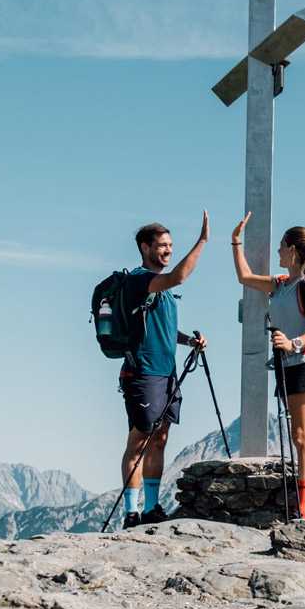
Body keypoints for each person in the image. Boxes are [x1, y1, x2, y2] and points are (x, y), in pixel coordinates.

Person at [231, 213, 305, 520]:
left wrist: (293, 343)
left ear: (294, 250)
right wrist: (235, 241)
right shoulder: (282, 284)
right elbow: (244, 277)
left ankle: (303, 507)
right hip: (288, 363)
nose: (278, 252)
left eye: (281, 247)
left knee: (300, 436)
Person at [119, 212, 209, 528]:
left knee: (160, 438)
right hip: (143, 372)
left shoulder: (163, 289)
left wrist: (189, 341)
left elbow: (165, 330)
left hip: (166, 373)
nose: (168, 250)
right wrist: (202, 242)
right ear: (145, 248)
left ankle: (152, 508)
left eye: (171, 245)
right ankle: (131, 512)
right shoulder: (139, 280)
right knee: (140, 440)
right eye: (162, 245)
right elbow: (180, 276)